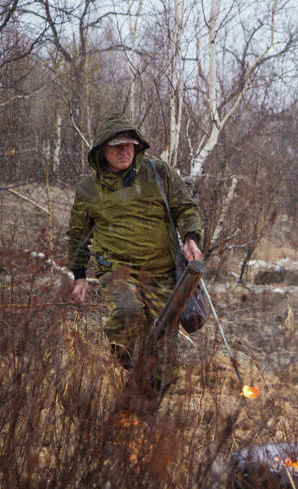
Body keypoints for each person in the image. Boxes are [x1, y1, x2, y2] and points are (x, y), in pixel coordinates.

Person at [66, 113, 203, 406]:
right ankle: (128, 369)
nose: (123, 150)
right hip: (118, 271)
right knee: (127, 314)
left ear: (137, 146)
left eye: (128, 144)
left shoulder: (158, 173)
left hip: (163, 275)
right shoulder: (89, 190)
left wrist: (191, 238)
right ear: (102, 150)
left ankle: (142, 411)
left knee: (166, 363)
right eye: (116, 146)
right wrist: (79, 275)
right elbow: (79, 235)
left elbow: (186, 209)